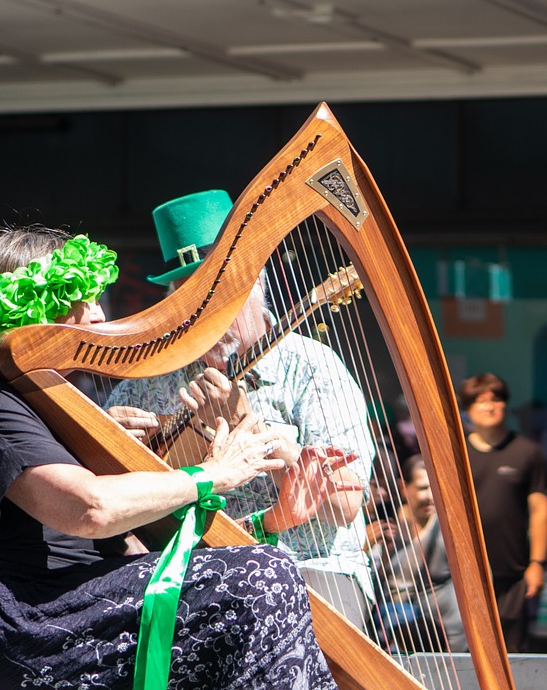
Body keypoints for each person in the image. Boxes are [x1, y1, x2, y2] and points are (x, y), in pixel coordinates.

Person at [0, 226, 345, 690]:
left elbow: (135, 547)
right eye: (81, 298)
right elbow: (92, 510)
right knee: (267, 576)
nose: (100, 315)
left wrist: (264, 523)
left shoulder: (28, 399)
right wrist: (213, 474)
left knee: (257, 578)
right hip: (14, 621)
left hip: (54, 602)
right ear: (29, 304)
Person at [105, 189, 378, 630]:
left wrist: (257, 432)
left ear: (257, 290)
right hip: (187, 577)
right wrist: (111, 439)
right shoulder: (148, 382)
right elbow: (104, 494)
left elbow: (346, 507)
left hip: (309, 568)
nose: (205, 319)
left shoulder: (311, 367)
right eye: (191, 305)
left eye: (219, 301)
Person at [461, 372, 547, 652]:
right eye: (480, 401)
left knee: (510, 652)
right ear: (467, 409)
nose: (489, 406)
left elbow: (540, 511)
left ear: (506, 405)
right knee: (467, 651)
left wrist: (537, 563)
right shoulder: (455, 451)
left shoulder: (527, 452)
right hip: (464, 571)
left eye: (496, 399)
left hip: (514, 573)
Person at [372, 455, 465, 652]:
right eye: (423, 488)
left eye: (435, 487)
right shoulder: (383, 521)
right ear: (404, 488)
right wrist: (368, 543)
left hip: (447, 631)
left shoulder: (451, 526)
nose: (431, 496)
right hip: (393, 630)